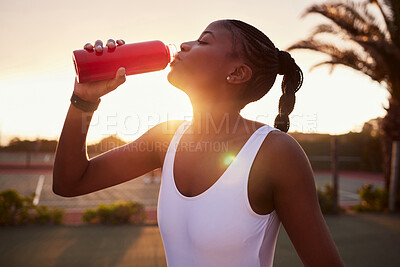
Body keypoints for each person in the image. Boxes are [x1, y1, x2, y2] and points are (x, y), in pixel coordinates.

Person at [53, 19, 345, 266]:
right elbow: (70, 183)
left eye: (204, 42)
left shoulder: (275, 153)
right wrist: (84, 100)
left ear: (237, 73)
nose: (184, 45)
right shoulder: (165, 138)